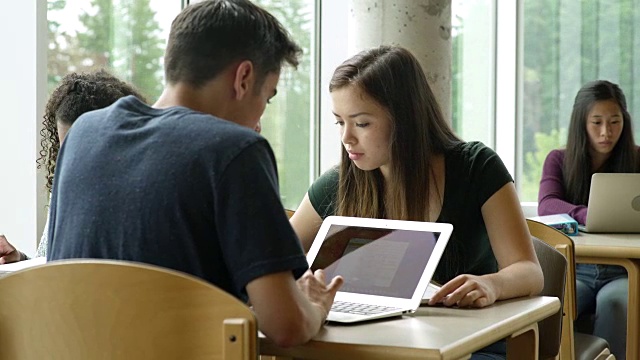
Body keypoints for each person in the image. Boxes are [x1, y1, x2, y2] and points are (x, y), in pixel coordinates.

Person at [47, 0, 343, 348]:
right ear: (244, 78)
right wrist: (315, 306)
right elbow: (287, 327)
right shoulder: (235, 150)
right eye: (268, 96)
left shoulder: (84, 132)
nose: (261, 117)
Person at [290, 45, 543, 359]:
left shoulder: (476, 168)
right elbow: (274, 259)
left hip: (471, 345)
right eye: (339, 122)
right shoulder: (339, 182)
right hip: (371, 346)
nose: (347, 139)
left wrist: (492, 285)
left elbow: (529, 271)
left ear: (405, 118)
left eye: (362, 123)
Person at [0, 70, 146, 264]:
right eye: (65, 148)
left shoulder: (146, 194)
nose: (72, 160)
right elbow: (49, 261)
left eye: (79, 147)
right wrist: (20, 259)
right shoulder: (67, 188)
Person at [538, 80, 638, 359]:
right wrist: (589, 215)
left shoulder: (637, 159)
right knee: (553, 303)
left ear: (625, 122)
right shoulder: (559, 159)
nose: (606, 132)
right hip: (576, 268)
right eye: (597, 122)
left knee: (616, 302)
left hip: (624, 270)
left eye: (614, 122)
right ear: (581, 122)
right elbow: (547, 204)